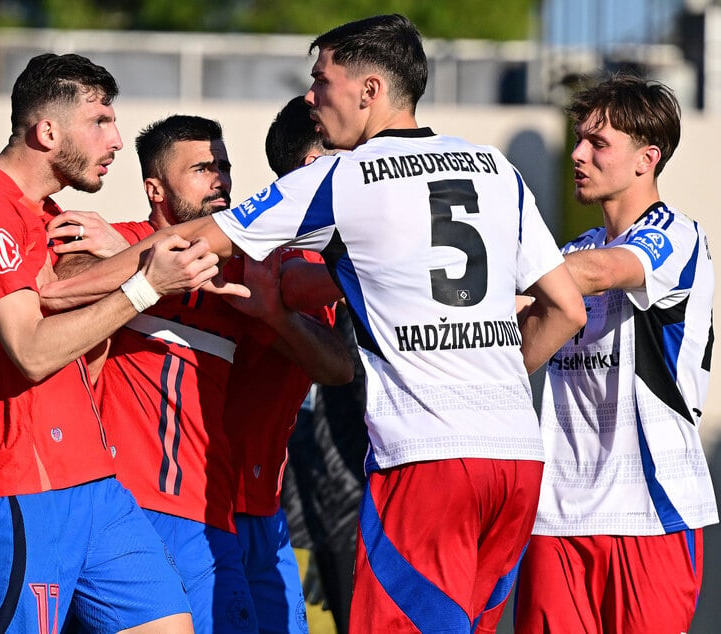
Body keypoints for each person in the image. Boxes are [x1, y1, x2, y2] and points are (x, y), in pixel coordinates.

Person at [43, 14, 587, 633]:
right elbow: (566, 308)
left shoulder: (344, 174)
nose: (310, 96)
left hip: (428, 461)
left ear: (370, 89)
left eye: (320, 80)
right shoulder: (497, 169)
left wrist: (70, 281)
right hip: (517, 459)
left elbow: (198, 240)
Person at [50, 114, 344, 634]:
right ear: (154, 188)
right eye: (203, 168)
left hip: (217, 516)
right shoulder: (119, 243)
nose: (221, 181)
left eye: (225, 168)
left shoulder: (240, 267)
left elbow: (331, 345)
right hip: (128, 509)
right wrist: (131, 257)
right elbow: (62, 280)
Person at [0, 53, 216, 634]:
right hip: (25, 484)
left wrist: (163, 249)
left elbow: (56, 292)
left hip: (95, 482)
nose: (118, 139)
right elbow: (30, 349)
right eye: (101, 121)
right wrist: (148, 286)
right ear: (47, 131)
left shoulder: (45, 213)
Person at [514, 74, 718, 633]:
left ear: (645, 159)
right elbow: (521, 353)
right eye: (578, 139)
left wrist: (502, 280)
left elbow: (605, 273)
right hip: (556, 517)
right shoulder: (571, 252)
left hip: (650, 512)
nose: (578, 154)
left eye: (597, 143)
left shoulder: (677, 235)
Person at [224, 97, 354, 634]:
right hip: (233, 503)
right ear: (313, 169)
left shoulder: (329, 258)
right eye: (351, 158)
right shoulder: (274, 256)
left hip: (277, 496)